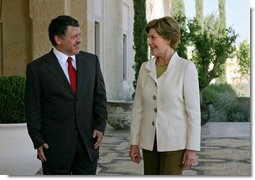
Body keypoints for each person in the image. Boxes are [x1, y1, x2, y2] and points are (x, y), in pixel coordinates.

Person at [25, 15, 107, 175]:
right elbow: (32, 108)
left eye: (80, 35)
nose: (79, 40)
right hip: (55, 148)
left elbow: (100, 97)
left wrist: (100, 126)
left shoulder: (91, 61)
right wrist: (37, 140)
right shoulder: (37, 69)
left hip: (87, 145)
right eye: (74, 36)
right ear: (58, 39)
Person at [129, 16, 201, 175]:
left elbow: (193, 113)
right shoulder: (145, 68)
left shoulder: (186, 68)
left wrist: (192, 148)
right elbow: (138, 108)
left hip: (175, 144)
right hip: (149, 142)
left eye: (153, 37)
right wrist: (134, 142)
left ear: (168, 38)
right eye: (148, 37)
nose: (149, 42)